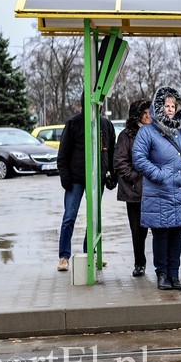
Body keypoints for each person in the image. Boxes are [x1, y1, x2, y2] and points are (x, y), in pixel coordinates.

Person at [133, 86, 181, 291]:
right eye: (166, 105)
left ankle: (174, 274)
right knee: (161, 234)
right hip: (159, 192)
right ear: (158, 107)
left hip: (180, 190)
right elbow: (139, 158)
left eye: (173, 106)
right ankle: (162, 274)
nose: (170, 109)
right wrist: (159, 175)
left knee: (177, 234)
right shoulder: (147, 132)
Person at [56, 95, 116, 272]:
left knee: (94, 218)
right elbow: (62, 154)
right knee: (69, 216)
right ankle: (63, 256)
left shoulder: (105, 124)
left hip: (98, 179)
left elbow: (111, 153)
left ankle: (90, 253)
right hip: (75, 179)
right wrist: (65, 177)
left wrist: (113, 175)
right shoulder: (73, 123)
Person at [114, 99, 152, 277]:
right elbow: (120, 161)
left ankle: (162, 264)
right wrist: (135, 177)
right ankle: (139, 262)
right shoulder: (126, 135)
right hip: (134, 189)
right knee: (138, 230)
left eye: (150, 113)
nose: (148, 116)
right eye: (144, 113)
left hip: (155, 189)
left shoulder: (157, 131)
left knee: (159, 228)